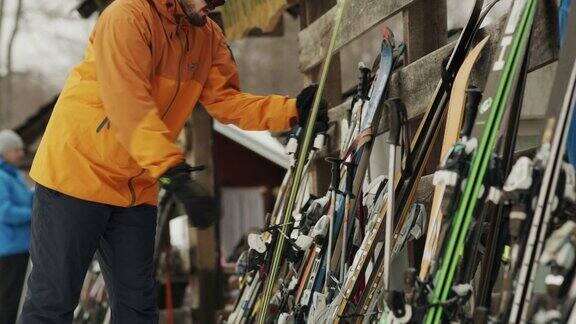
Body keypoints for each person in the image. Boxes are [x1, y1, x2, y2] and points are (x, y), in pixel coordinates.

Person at [20, 0, 328, 323]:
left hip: (135, 188)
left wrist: (292, 111)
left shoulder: (206, 36)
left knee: (137, 307)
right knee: (52, 303)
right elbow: (128, 103)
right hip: (77, 173)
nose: (216, 3)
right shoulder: (127, 16)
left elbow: (227, 102)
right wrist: (171, 169)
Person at [0, 130, 33, 324]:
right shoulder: (2, 177)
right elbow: (4, 212)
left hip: (21, 247)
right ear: (4, 152)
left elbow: (28, 198)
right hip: (9, 250)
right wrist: (33, 215)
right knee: (8, 300)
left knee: (18, 298)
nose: (21, 153)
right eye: (16, 150)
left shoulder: (16, 175)